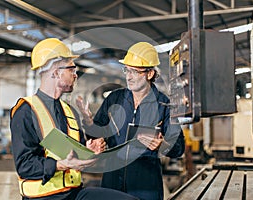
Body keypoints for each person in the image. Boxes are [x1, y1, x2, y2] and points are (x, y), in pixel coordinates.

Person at [10, 38, 139, 200]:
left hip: (73, 193)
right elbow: (24, 165)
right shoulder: (26, 111)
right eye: (71, 69)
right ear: (56, 72)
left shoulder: (69, 111)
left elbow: (74, 154)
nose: (75, 74)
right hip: (43, 197)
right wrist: (61, 164)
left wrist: (88, 150)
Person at [76, 42, 185, 200]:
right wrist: (88, 122)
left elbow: (179, 148)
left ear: (149, 74)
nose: (128, 76)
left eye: (135, 71)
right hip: (112, 179)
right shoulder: (115, 98)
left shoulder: (163, 105)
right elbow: (95, 135)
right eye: (127, 70)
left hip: (145, 185)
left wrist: (163, 146)